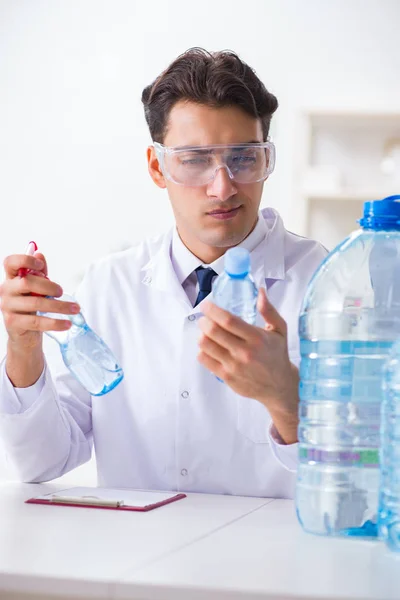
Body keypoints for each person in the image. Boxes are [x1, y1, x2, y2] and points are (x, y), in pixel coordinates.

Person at [0, 48, 327, 497]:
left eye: (244, 157)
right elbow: (42, 462)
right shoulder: (109, 285)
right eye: (194, 159)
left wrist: (286, 402)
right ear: (158, 166)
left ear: (266, 159)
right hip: (138, 562)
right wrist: (22, 347)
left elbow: (361, 488)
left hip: (275, 563)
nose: (223, 186)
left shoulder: (327, 286)